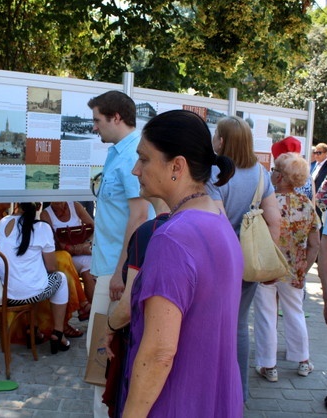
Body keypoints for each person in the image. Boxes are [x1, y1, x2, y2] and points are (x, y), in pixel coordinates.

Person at [122, 109, 242, 417]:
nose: (136, 169)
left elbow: (160, 352)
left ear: (177, 166)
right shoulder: (217, 219)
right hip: (214, 397)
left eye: (145, 159)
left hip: (176, 400)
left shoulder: (172, 238)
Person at [86, 90, 151, 417]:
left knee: (101, 353)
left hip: (118, 270)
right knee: (101, 353)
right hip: (111, 265)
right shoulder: (119, 152)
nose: (94, 127)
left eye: (97, 120)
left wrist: (122, 272)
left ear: (116, 117)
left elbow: (140, 217)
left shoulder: (130, 157)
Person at [207, 115, 281, 401]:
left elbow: (216, 221)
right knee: (239, 325)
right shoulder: (261, 173)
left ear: (222, 141)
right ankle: (239, 391)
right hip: (249, 262)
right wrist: (266, 258)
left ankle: (215, 390)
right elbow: (275, 220)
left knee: (212, 324)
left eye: (216, 135)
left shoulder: (214, 174)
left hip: (218, 260)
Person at [253, 153, 320, 383]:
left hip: (267, 268)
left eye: (274, 170)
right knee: (295, 313)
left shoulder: (266, 204)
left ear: (280, 176)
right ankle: (303, 360)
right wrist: (304, 268)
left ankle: (268, 365)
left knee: (266, 315)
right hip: (294, 269)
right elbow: (315, 244)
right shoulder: (307, 206)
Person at [102, 197, 170, 418]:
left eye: (144, 160)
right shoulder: (212, 225)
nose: (136, 170)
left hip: (144, 344)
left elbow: (129, 305)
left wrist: (110, 326)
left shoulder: (148, 231)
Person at [0, 202, 71, 353]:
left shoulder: (3, 222)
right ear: (38, 207)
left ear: (17, 206)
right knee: (60, 279)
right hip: (30, 294)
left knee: (31, 281)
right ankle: (58, 334)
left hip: (3, 293)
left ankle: (33, 329)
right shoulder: (42, 228)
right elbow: (52, 267)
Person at [40, 201, 94, 321]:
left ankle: (93, 310)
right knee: (66, 260)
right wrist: (74, 249)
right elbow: (52, 242)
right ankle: (84, 305)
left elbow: (93, 227)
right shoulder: (46, 214)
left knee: (89, 266)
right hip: (62, 255)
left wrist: (87, 244)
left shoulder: (75, 206)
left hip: (79, 252)